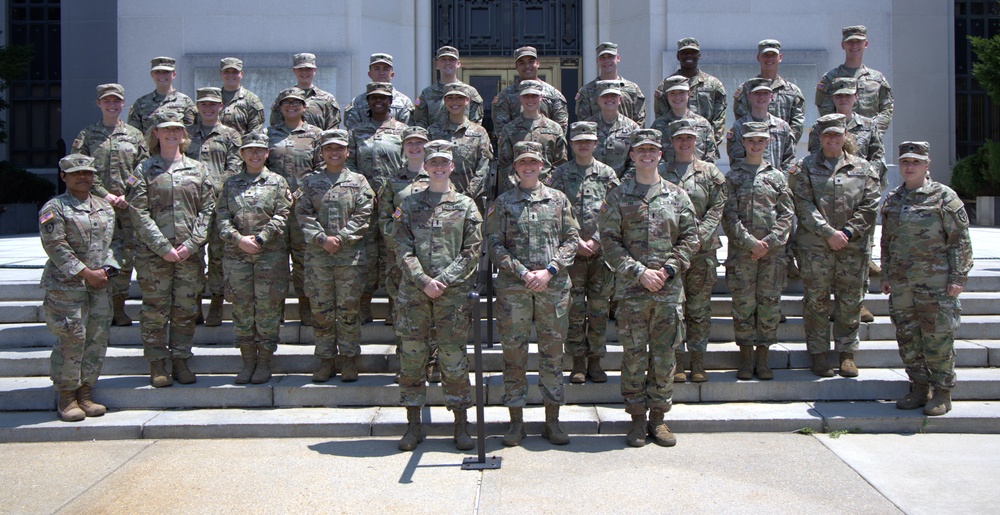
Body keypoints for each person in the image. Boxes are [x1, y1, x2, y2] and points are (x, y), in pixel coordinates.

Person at [600, 128, 699, 447]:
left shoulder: (677, 194)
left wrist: (668, 269)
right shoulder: (618, 195)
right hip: (632, 291)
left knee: (664, 355)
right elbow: (609, 241)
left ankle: (659, 419)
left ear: (660, 154)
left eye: (652, 150)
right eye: (640, 150)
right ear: (632, 155)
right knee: (633, 356)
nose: (646, 155)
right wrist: (639, 271)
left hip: (668, 291)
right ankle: (636, 419)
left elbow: (690, 238)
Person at [487, 141, 580, 447]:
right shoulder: (503, 203)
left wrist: (549, 270)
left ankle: (552, 421)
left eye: (533, 162)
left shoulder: (558, 200)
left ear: (542, 166)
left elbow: (571, 239)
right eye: (522, 162)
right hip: (514, 290)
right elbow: (495, 245)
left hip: (552, 290)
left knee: (552, 355)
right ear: (515, 167)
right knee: (514, 356)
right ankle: (516, 423)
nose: (528, 167)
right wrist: (524, 273)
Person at [394, 140, 483, 451]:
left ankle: (461, 424)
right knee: (413, 357)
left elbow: (472, 251)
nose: (439, 167)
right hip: (415, 295)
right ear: (426, 166)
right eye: (433, 162)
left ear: (452, 167)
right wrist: (422, 280)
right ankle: (413, 425)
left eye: (444, 162)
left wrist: (441, 281)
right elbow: (402, 248)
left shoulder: (466, 206)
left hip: (451, 296)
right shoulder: (409, 204)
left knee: (454, 358)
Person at [881, 141, 973, 416]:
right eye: (906, 162)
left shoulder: (944, 197)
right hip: (902, 283)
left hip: (936, 282)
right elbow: (887, 240)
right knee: (908, 338)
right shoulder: (894, 198)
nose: (910, 167)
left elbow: (960, 241)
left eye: (916, 162)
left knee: (937, 338)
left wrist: (958, 276)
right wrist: (886, 273)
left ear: (926, 165)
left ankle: (942, 391)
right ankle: (919, 388)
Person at [127, 110, 215, 387]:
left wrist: (191, 244)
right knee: (154, 309)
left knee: (186, 308)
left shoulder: (198, 169)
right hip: (154, 255)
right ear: (156, 134)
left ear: (183, 135)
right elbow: (138, 212)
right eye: (166, 130)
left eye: (177, 130)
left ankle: (180, 360)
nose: (171, 134)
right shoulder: (144, 169)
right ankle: (157, 364)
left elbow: (208, 209)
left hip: (189, 254)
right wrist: (162, 247)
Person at [790, 113, 880, 378]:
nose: (832, 139)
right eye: (827, 134)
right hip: (815, 247)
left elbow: (870, 204)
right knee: (816, 302)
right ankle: (818, 354)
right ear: (820, 138)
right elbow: (803, 204)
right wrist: (828, 232)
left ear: (845, 137)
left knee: (850, 301)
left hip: (852, 248)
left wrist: (848, 232)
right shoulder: (805, 167)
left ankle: (847, 354)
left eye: (837, 134)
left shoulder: (863, 168)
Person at [40, 154, 119, 421]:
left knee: (96, 339)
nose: (83, 177)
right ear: (63, 177)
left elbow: (111, 243)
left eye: (87, 173)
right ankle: (66, 396)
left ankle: (85, 392)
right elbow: (55, 246)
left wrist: (107, 268)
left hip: (99, 286)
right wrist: (86, 273)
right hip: (66, 287)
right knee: (72, 339)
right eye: (76, 173)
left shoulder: (104, 207)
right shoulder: (55, 208)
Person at [297, 129, 375, 383]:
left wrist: (340, 238)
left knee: (349, 310)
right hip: (319, 258)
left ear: (347, 152)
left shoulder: (359, 181)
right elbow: (303, 214)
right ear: (321, 152)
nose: (334, 152)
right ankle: (326, 360)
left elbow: (364, 214)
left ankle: (350, 360)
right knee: (321, 311)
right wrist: (322, 239)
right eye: (328, 148)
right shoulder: (310, 182)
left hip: (349, 258)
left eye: (338, 148)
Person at [809, 76, 888, 322]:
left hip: (859, 193)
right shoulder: (821, 127)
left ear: (856, 98)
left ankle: (858, 302)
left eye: (848, 95)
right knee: (828, 252)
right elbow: (815, 157)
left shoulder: (869, 125)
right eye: (839, 95)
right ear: (833, 99)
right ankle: (833, 303)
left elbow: (878, 157)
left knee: (858, 253)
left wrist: (862, 177)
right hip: (827, 196)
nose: (843, 99)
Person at [215, 132, 291, 384]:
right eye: (249, 150)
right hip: (237, 256)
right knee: (242, 308)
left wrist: (260, 238)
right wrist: (238, 239)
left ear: (267, 153)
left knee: (268, 308)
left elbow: (283, 213)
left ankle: (265, 362)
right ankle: (248, 361)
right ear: (242, 154)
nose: (255, 154)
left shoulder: (278, 182)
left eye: (260, 150)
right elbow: (222, 217)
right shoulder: (231, 184)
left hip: (269, 255)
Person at [71, 83, 149, 327]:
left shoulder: (135, 135)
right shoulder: (86, 136)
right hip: (95, 206)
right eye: (107, 101)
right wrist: (104, 194)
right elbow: (79, 171)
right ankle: (98, 306)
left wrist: (127, 192)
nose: (112, 105)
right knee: (98, 254)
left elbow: (143, 168)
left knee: (127, 256)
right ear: (98, 103)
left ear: (123, 104)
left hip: (128, 206)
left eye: (116, 101)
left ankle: (119, 306)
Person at [721, 122, 795, 381]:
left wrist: (770, 242)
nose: (755, 145)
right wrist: (750, 242)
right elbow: (728, 215)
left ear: (767, 144)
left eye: (760, 141)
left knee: (769, 305)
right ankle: (745, 357)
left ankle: (763, 358)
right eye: (750, 140)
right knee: (743, 305)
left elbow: (787, 213)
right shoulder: (733, 177)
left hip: (772, 256)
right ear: (743, 143)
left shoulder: (777, 177)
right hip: (743, 254)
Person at [547, 122, 620, 384]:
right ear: (571, 143)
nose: (583, 145)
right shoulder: (560, 175)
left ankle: (596, 362)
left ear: (596, 143)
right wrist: (576, 240)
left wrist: (598, 240)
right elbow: (554, 212)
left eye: (588, 140)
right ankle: (577, 362)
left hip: (602, 255)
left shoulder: (607, 174)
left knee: (599, 309)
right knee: (574, 309)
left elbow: (615, 209)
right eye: (579, 141)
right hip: (571, 253)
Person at [661, 120, 727, 383]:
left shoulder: (710, 173)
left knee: (698, 310)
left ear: (696, 141)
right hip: (671, 253)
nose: (684, 143)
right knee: (674, 309)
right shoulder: (661, 171)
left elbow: (717, 208)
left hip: (701, 251)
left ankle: (698, 361)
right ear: (672, 142)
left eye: (689, 138)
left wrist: (697, 237)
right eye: (679, 139)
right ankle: (676, 362)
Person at [347, 82, 408, 323]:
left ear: (391, 101)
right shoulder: (356, 131)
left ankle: (395, 306)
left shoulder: (403, 131)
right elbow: (349, 164)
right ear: (368, 102)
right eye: (374, 98)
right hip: (364, 203)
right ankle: (364, 304)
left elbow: (407, 164)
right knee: (365, 256)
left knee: (393, 253)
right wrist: (363, 191)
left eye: (383, 98)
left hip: (393, 204)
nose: (379, 101)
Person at [377, 126, 431, 382]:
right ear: (403, 147)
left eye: (419, 143)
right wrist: (399, 243)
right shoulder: (392, 181)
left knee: (431, 311)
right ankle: (408, 363)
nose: (415, 147)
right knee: (403, 313)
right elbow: (385, 217)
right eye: (410, 143)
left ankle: (432, 362)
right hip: (400, 258)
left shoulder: (437, 175)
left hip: (431, 256)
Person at [266, 88, 323, 326]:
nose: (291, 106)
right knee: (275, 261)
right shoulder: (268, 134)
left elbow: (322, 166)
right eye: (286, 103)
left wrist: (301, 191)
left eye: (296, 103)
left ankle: (305, 307)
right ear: (279, 107)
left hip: (304, 208)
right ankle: (274, 310)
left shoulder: (316, 135)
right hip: (274, 209)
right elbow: (260, 165)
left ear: (304, 107)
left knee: (304, 260)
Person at [186, 87, 243, 326]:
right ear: (198, 107)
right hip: (191, 206)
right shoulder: (186, 135)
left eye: (213, 104)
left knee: (218, 256)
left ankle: (217, 303)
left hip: (219, 204)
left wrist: (208, 185)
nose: (208, 108)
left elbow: (235, 168)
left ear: (221, 106)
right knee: (194, 255)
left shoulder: (231, 135)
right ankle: (195, 303)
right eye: (204, 104)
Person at [816, 25, 893, 136]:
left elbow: (887, 109)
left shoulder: (878, 79)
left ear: (865, 44)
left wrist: (871, 132)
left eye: (858, 41)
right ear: (843, 45)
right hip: (840, 140)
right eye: (850, 42)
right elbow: (825, 110)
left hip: (869, 141)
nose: (854, 45)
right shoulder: (830, 78)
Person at [496, 80, 568, 194]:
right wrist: (516, 185)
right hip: (517, 192)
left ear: (541, 97)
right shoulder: (509, 129)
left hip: (548, 192)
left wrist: (548, 186)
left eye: (534, 96)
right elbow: (505, 163)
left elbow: (560, 163)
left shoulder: (555, 129)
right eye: (526, 96)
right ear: (520, 98)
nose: (530, 100)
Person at [654, 38, 727, 146]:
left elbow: (719, 119)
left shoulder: (714, 85)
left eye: (693, 53)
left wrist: (709, 144)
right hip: (675, 147)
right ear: (678, 56)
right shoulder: (665, 86)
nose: (688, 56)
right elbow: (661, 119)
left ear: (699, 55)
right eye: (684, 53)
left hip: (704, 146)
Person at [732, 39, 806, 144]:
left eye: (773, 55)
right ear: (758, 58)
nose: (769, 59)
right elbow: (741, 121)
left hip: (781, 150)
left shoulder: (793, 91)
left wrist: (784, 145)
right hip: (753, 149)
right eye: (765, 55)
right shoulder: (746, 89)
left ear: (780, 58)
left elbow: (797, 124)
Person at [427, 83, 493, 200]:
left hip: (472, 200)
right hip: (438, 198)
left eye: (459, 98)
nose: (454, 102)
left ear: (467, 100)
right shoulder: (433, 131)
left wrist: (466, 197)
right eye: (450, 98)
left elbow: (483, 169)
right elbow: (427, 165)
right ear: (445, 101)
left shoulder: (479, 132)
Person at [491, 46, 569, 137]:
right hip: (516, 149)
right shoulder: (505, 96)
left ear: (538, 63)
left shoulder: (554, 95)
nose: (527, 66)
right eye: (522, 63)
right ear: (516, 66)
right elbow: (502, 133)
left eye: (531, 62)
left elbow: (560, 130)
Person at [726, 79, 796, 173]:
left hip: (776, 184)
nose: (761, 96)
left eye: (765, 93)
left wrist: (778, 181)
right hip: (748, 184)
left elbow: (789, 160)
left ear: (771, 96)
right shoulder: (739, 127)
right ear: (749, 96)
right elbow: (736, 162)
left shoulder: (783, 127)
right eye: (756, 93)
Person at [650, 76, 718, 164]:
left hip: (699, 175)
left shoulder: (703, 124)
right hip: (667, 176)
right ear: (667, 96)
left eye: (681, 92)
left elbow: (710, 156)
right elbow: (654, 155)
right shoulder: (658, 125)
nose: (677, 97)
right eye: (672, 93)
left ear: (689, 94)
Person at [575, 42, 646, 126]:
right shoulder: (586, 91)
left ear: (618, 58)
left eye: (610, 57)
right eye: (602, 58)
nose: (606, 61)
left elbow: (639, 122)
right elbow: (584, 124)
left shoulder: (633, 89)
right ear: (597, 61)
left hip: (627, 137)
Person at [413, 46, 484, 128]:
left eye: (451, 60)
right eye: (443, 60)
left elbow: (475, 124)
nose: (447, 63)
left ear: (458, 64)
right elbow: (420, 124)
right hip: (434, 139)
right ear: (437, 64)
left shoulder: (470, 92)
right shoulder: (427, 93)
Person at [269, 53, 341, 130]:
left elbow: (332, 130)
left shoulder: (327, 99)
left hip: (317, 140)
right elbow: (275, 124)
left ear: (315, 70)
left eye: (308, 69)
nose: (304, 72)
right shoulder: (284, 96)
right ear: (294, 70)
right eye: (300, 69)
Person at [343, 53, 415, 130]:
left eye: (385, 69)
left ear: (392, 74)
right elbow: (352, 131)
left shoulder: (404, 102)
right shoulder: (357, 102)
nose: (381, 73)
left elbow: (408, 132)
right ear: (369, 74)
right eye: (377, 69)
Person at [127, 56, 197, 134]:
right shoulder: (141, 103)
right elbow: (133, 133)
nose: (161, 75)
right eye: (157, 72)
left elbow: (191, 133)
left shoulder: (185, 102)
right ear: (152, 74)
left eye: (166, 72)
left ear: (174, 74)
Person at [589, 81, 641, 176]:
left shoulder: (633, 128)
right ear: (598, 100)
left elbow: (635, 162)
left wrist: (620, 186)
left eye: (613, 96)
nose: (609, 99)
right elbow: (580, 157)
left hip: (622, 186)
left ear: (620, 99)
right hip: (592, 184)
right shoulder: (588, 127)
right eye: (605, 96)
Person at [218, 57, 265, 135]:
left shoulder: (251, 100)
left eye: (235, 72)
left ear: (241, 74)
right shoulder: (213, 98)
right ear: (221, 74)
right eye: (226, 71)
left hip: (242, 146)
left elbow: (255, 132)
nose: (230, 75)